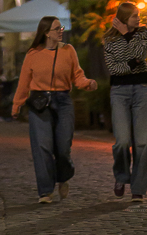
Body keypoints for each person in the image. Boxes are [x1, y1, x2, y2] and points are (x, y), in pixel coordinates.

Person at [11, 15, 97, 203]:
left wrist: (87, 83)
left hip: (63, 101)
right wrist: (17, 104)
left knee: (63, 147)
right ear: (46, 33)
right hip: (40, 103)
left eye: (61, 28)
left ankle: (63, 177)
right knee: (42, 146)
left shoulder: (68, 50)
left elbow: (77, 75)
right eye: (57, 29)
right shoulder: (33, 54)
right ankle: (45, 191)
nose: (60, 31)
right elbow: (24, 82)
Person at [103, 0, 147, 201]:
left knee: (142, 142)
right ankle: (121, 176)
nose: (138, 18)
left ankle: (138, 189)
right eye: (134, 16)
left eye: (138, 15)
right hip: (119, 91)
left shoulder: (142, 33)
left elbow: (140, 53)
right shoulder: (109, 40)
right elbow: (114, 69)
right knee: (122, 141)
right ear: (124, 18)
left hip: (141, 90)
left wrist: (126, 34)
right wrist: (132, 65)